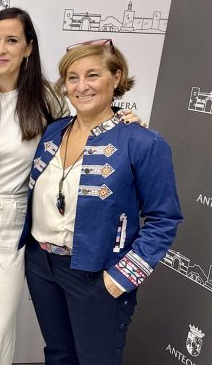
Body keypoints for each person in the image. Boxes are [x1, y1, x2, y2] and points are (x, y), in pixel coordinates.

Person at [0, 9, 141, 365]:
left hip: (10, 219)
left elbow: (86, 122)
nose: (0, 49)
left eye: (11, 40)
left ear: (28, 48)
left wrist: (123, 119)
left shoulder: (48, 99)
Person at [20, 39, 182, 365]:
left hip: (97, 274)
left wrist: (122, 277)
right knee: (58, 355)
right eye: (72, 77)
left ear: (116, 77)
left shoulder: (142, 141)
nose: (81, 87)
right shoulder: (53, 131)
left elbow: (164, 219)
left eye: (92, 75)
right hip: (41, 265)